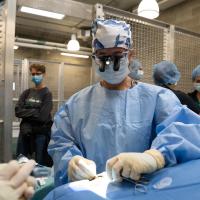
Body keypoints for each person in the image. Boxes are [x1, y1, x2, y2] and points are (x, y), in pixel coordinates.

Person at [48, 19, 200, 187]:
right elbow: (61, 143)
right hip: (93, 192)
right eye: (103, 57)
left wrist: (155, 157)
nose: (110, 63)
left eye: (117, 56)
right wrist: (71, 162)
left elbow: (186, 133)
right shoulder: (76, 105)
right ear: (95, 57)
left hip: (145, 191)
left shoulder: (158, 98)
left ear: (130, 56)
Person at [15, 63, 53, 166]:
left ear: (43, 74)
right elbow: (18, 111)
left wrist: (27, 113)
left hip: (40, 134)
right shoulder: (26, 93)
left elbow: (43, 117)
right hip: (25, 132)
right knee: (21, 162)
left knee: (40, 164)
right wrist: (35, 111)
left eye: (38, 73)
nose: (35, 76)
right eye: (33, 74)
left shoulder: (47, 94)